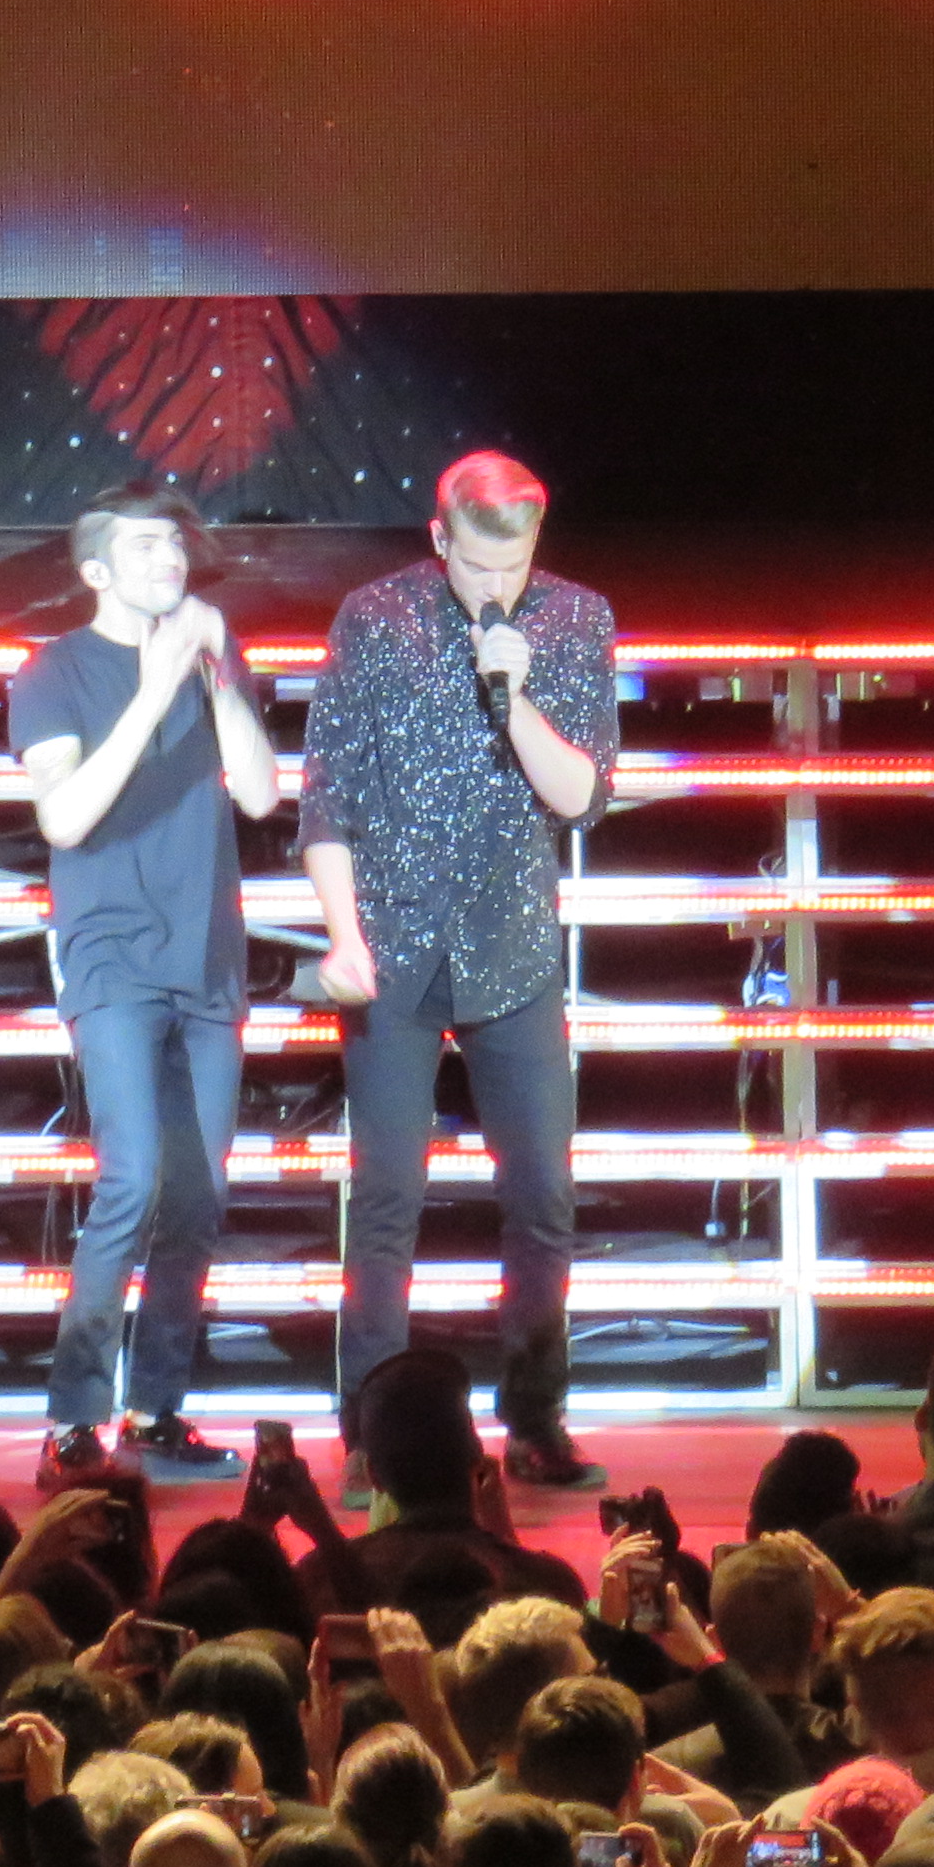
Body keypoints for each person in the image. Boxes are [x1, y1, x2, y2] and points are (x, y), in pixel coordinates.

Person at [299, 448, 621, 1492]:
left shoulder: (575, 619)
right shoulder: (374, 618)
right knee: (387, 1197)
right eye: (478, 566)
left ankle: (534, 1418)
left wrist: (514, 696)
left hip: (512, 946)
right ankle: (373, 1436)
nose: (496, 586)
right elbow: (327, 794)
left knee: (543, 1195)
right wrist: (342, 935)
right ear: (440, 538)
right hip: (392, 948)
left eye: (514, 565)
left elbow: (581, 796)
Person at [13, 481, 279, 1487]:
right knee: (131, 1178)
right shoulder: (54, 670)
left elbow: (262, 794)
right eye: (144, 548)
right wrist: (154, 688)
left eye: (174, 545)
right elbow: (64, 816)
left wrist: (214, 675)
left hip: (208, 957)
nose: (169, 561)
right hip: (113, 956)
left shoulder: (208, 658)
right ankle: (73, 1418)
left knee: (198, 1195)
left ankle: (157, 1409)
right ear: (96, 570)